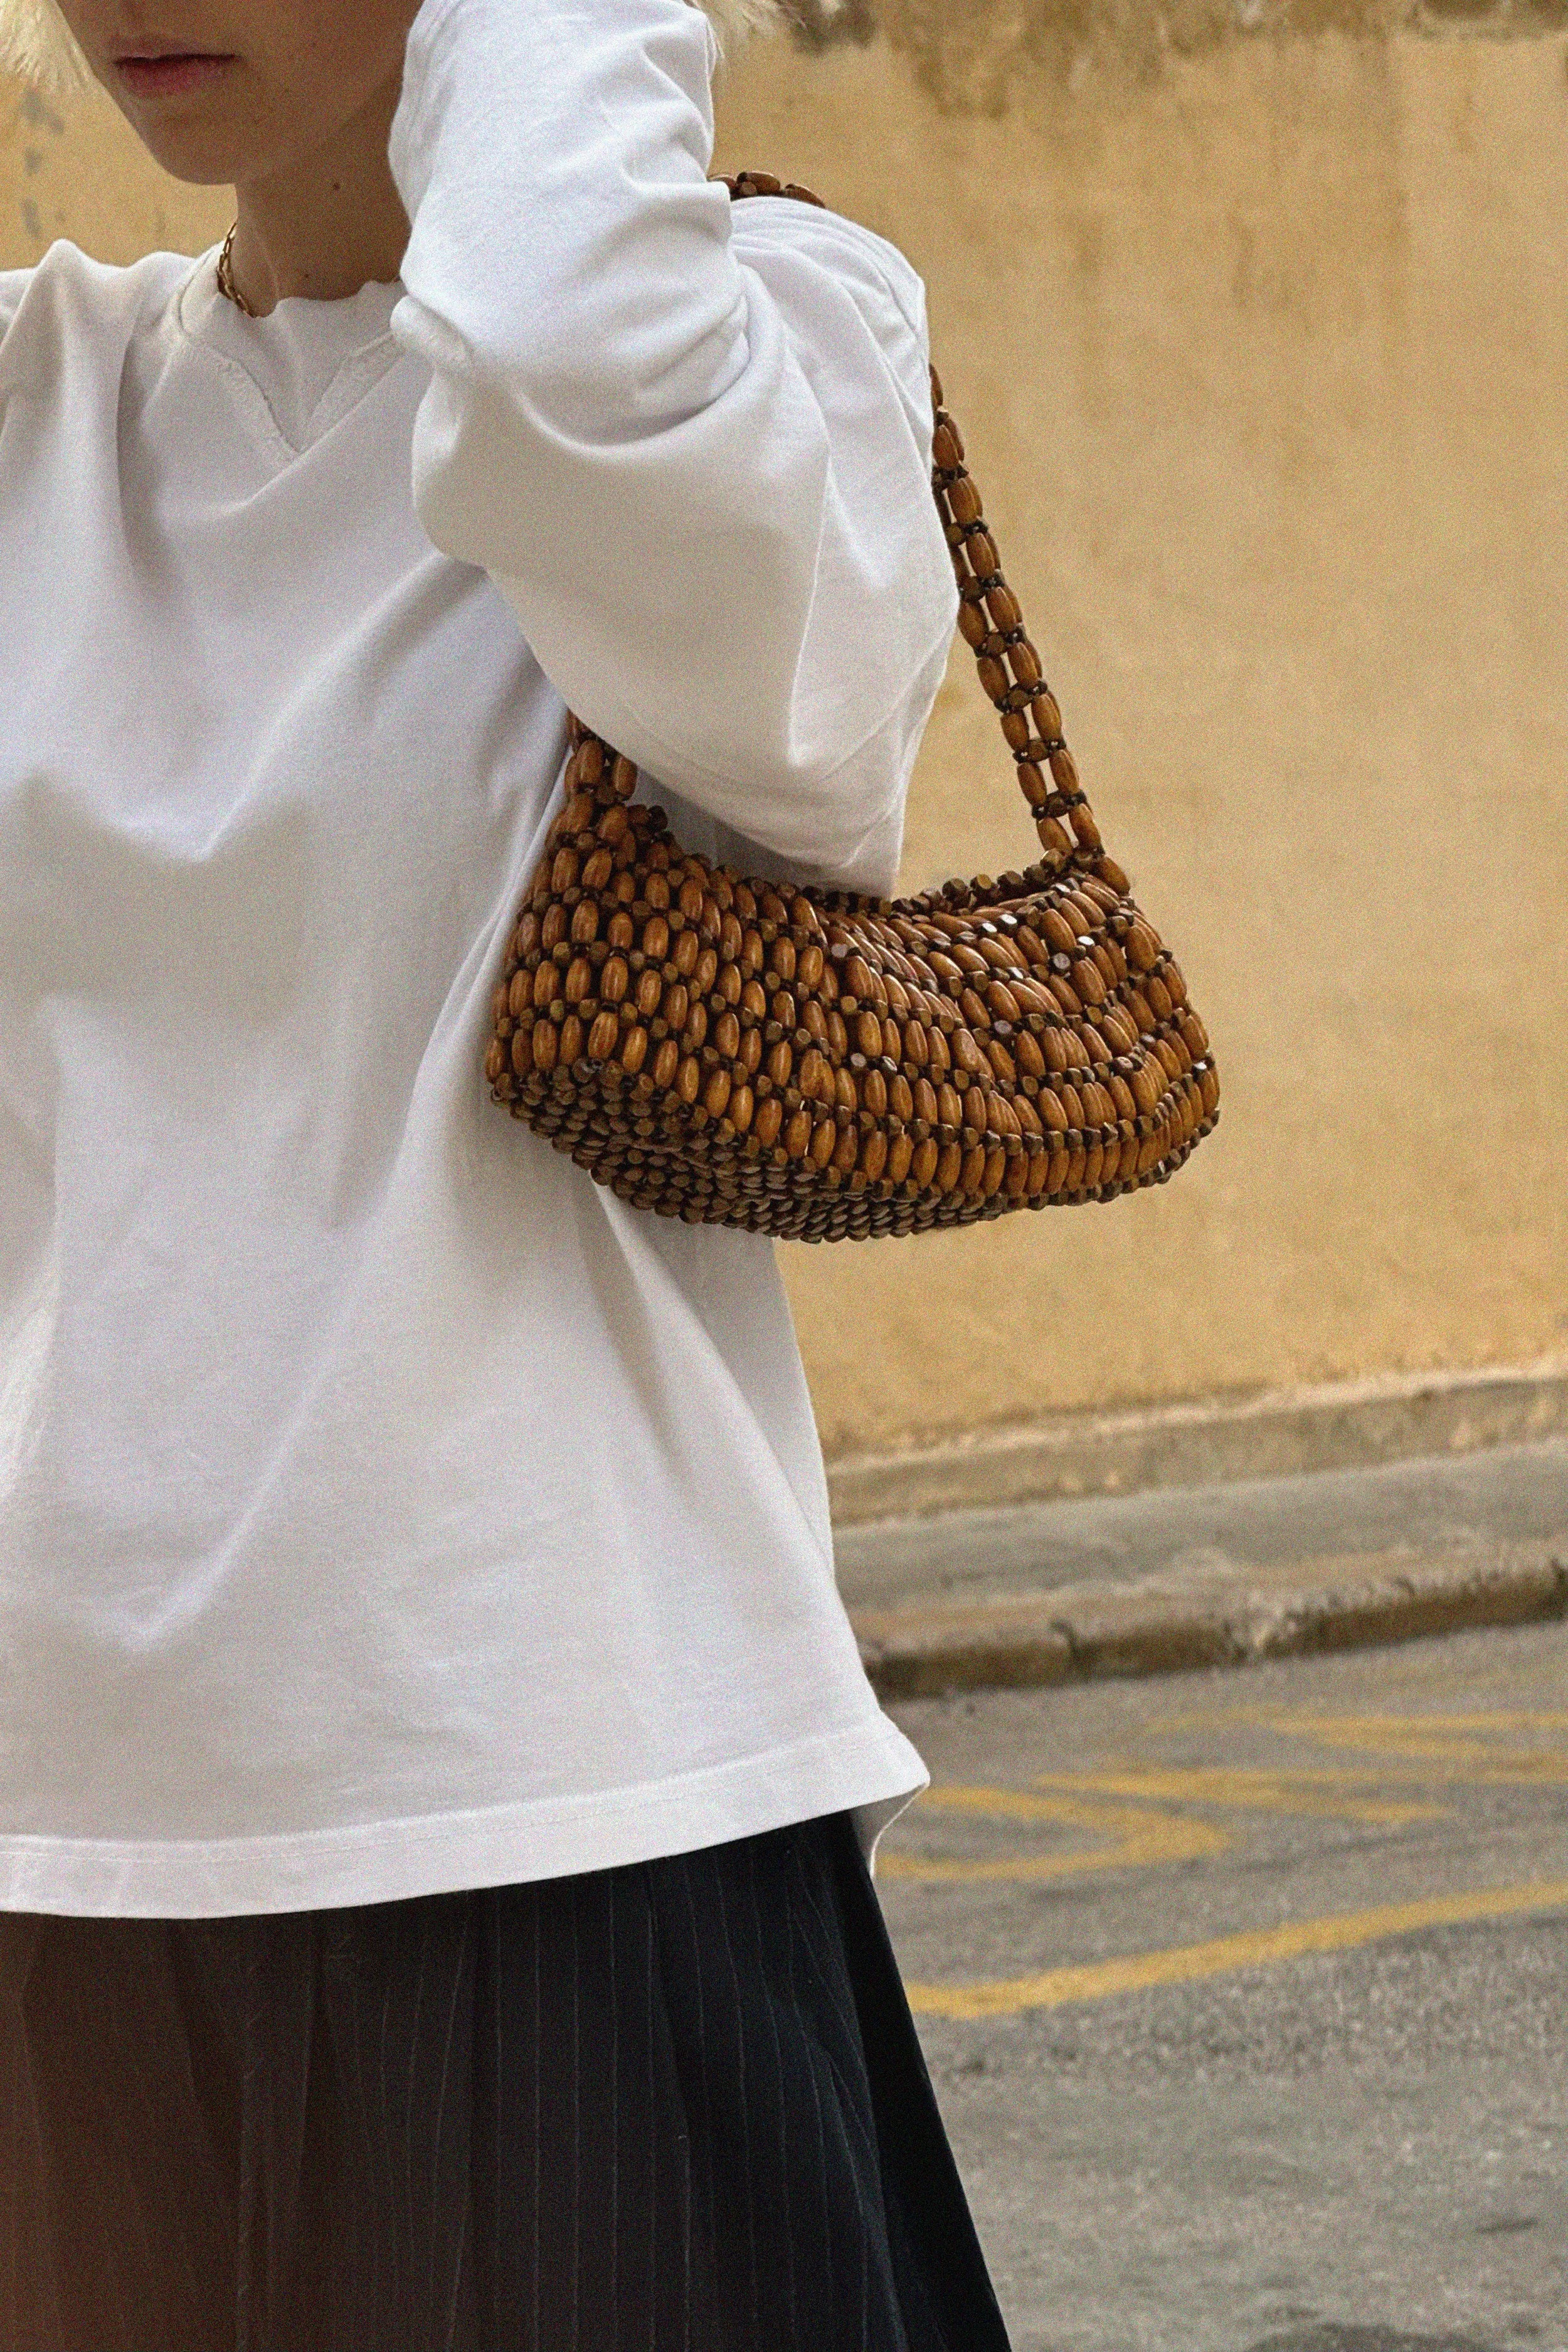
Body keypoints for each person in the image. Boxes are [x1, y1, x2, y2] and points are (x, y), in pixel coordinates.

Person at [0, 0, 1015, 2343]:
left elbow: (566, 340)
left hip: (560, 1842)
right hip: (57, 1881)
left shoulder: (755, 363)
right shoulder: (47, 401)